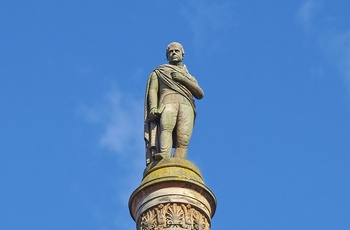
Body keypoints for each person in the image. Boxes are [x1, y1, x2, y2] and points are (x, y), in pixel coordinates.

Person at [144, 42, 204, 165]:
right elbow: (153, 90)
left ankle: (179, 163)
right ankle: (164, 156)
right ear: (167, 56)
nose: (173, 53)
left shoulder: (188, 76)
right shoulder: (160, 71)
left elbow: (200, 94)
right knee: (166, 127)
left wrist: (183, 79)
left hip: (187, 104)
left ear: (183, 54)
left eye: (176, 51)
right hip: (167, 102)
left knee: (184, 137)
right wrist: (153, 107)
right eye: (170, 52)